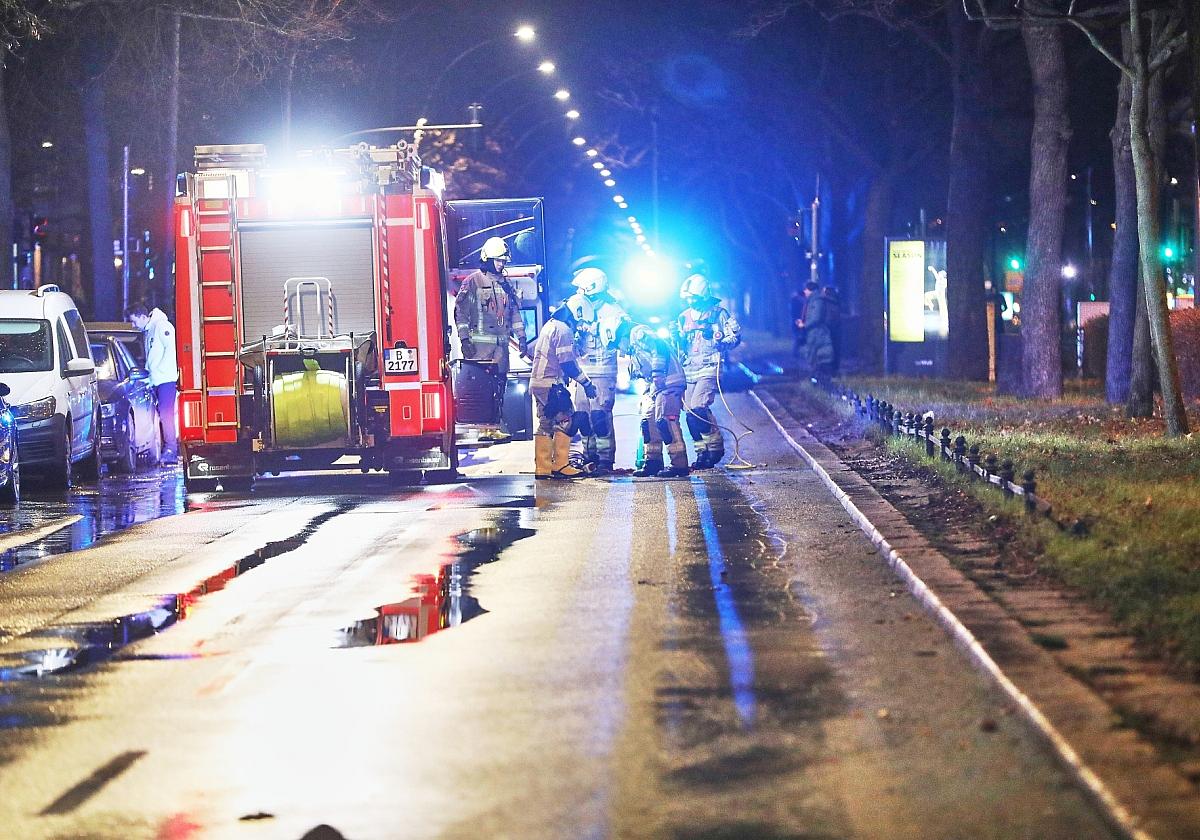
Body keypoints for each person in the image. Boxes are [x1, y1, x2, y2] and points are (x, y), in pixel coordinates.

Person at [453, 236, 527, 442]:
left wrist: (522, 337)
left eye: (504, 261)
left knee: (499, 387)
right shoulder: (473, 282)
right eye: (499, 260)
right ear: (487, 259)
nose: (502, 264)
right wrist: (465, 340)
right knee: (484, 389)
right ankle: (485, 429)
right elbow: (461, 313)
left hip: (501, 349)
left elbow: (514, 313)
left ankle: (494, 426)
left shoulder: (505, 284)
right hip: (480, 350)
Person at [603, 316, 689, 478]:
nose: (620, 349)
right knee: (648, 422)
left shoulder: (639, 333)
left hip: (669, 382)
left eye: (617, 345)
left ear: (619, 335)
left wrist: (657, 373)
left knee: (665, 421)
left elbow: (659, 347)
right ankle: (653, 462)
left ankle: (679, 464)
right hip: (655, 386)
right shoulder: (634, 347)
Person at [676, 273, 741, 470]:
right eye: (688, 298)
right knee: (689, 414)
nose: (691, 302)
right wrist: (676, 339)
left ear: (703, 296)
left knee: (698, 407)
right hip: (689, 370)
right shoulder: (683, 316)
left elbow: (735, 337)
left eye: (694, 298)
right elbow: (680, 347)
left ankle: (715, 446)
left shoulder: (719, 314)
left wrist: (716, 338)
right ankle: (701, 452)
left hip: (709, 367)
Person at [566, 267, 626, 474]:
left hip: (603, 373)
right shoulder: (580, 307)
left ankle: (605, 460)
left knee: (600, 416)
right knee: (583, 416)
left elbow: (620, 337)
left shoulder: (614, 311)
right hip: (583, 373)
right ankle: (589, 456)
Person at [530, 302, 597, 480]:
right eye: (579, 322)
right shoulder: (563, 330)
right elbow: (567, 363)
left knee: (546, 424)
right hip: (552, 384)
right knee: (566, 420)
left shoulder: (550, 325)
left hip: (539, 382)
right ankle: (561, 465)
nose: (578, 326)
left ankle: (543, 468)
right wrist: (586, 383)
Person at [126, 302, 179, 466]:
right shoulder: (150, 330)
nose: (134, 325)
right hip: (157, 379)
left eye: (134, 321)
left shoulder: (161, 326)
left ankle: (171, 450)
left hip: (165, 379)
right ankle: (167, 448)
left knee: (166, 414)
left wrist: (160, 371)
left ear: (143, 317)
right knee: (163, 415)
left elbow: (171, 349)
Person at [799, 282, 839, 385]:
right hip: (816, 333)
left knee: (817, 355)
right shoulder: (814, 300)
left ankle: (820, 379)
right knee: (817, 355)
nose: (804, 292)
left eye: (805, 289)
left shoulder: (817, 300)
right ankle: (819, 379)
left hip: (817, 333)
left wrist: (805, 325)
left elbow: (816, 317)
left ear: (809, 290)